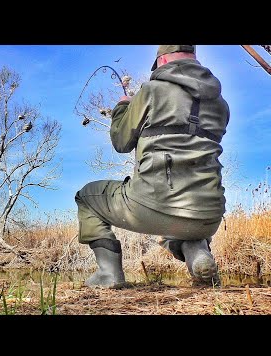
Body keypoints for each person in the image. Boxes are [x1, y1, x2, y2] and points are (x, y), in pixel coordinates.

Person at [75, 45, 229, 288]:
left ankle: (108, 275)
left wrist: (122, 108)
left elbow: (121, 142)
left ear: (163, 59)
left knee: (87, 196)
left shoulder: (150, 92)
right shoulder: (221, 104)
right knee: (180, 217)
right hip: (209, 216)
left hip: (154, 205)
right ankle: (196, 250)